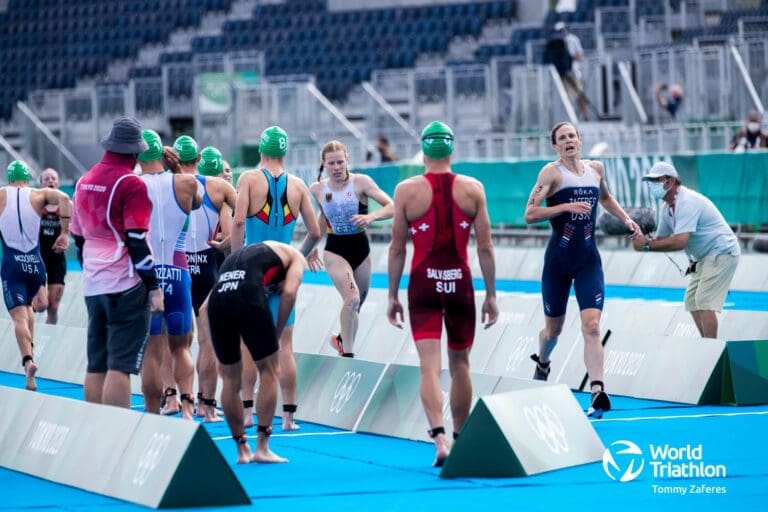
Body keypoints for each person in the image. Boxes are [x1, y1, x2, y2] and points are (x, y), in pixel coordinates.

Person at [387, 121, 498, 466]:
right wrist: (491, 295)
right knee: (461, 364)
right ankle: (462, 437)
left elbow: (396, 249)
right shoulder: (473, 188)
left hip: (423, 284)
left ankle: (439, 440)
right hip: (460, 284)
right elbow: (485, 247)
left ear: (424, 151)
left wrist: (391, 295)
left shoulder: (406, 190)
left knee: (428, 368)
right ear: (451, 149)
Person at [524, 121, 641, 419]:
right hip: (558, 263)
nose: (568, 141)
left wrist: (627, 220)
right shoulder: (551, 173)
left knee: (591, 326)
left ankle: (597, 391)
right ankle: (543, 361)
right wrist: (565, 208)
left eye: (572, 136)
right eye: (562, 138)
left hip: (588, 259)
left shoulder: (596, 169)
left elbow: (605, 198)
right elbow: (530, 214)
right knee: (554, 330)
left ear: (580, 139)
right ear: (555, 146)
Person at [232, 125, 321, 430]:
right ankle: (289, 417)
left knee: (247, 345)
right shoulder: (298, 186)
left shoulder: (248, 179)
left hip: (253, 270)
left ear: (260, 150)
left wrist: (235, 262)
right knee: (285, 346)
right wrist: (298, 257)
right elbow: (316, 231)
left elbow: (240, 221)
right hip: (283, 271)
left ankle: (246, 413)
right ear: (285, 152)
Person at [71, 116, 164, 409]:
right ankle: (117, 432)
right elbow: (137, 241)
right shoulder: (132, 184)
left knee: (96, 363)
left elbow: (78, 238)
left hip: (93, 284)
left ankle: (96, 434)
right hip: (125, 283)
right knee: (120, 365)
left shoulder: (84, 181)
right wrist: (154, 287)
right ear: (135, 152)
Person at [199, 240, 306, 464]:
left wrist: (216, 349)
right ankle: (262, 448)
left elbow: (204, 308)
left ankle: (241, 449)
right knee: (269, 371)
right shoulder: (296, 256)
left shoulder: (241, 256)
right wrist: (275, 332)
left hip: (219, 299)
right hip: (247, 295)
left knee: (230, 380)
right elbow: (288, 293)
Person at [633, 162, 740, 338]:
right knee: (692, 300)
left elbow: (680, 242)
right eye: (650, 181)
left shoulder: (687, 201)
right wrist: (639, 236)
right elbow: (660, 240)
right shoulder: (667, 207)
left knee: (704, 301)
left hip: (722, 251)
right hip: (704, 257)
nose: (652, 185)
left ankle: (710, 347)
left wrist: (645, 245)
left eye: (656, 180)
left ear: (671, 181)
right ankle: (704, 342)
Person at [308, 140, 394, 358]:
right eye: (331, 164)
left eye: (340, 162)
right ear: (324, 165)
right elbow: (322, 217)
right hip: (335, 249)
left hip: (361, 249)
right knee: (352, 298)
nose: (336, 167)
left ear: (347, 161)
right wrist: (312, 246)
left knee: (356, 305)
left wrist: (371, 216)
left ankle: (340, 341)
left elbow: (392, 206)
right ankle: (348, 356)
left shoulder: (361, 182)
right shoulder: (318, 189)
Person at [137, 131, 201, 419]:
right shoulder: (186, 182)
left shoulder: (131, 184)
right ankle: (188, 407)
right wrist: (175, 168)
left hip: (147, 276)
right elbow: (197, 202)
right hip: (178, 272)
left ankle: (157, 407)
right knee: (181, 346)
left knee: (152, 350)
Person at [1, 161, 71, 391]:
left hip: (12, 264)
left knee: (19, 318)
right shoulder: (39, 193)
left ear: (9, 178)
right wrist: (65, 232)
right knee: (30, 309)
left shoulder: (1, 195)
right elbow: (65, 200)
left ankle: (28, 361)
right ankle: (31, 364)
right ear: (28, 177)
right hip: (35, 264)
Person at [185, 145, 236, 421]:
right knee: (208, 343)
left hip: (181, 264)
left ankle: (175, 398)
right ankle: (206, 404)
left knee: (178, 341)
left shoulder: (179, 186)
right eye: (225, 171)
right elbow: (229, 236)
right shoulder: (222, 195)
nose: (228, 176)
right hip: (208, 266)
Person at [38, 168, 68, 324]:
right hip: (38, 258)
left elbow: (76, 229)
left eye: (53, 178)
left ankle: (48, 337)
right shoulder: (35, 204)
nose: (50, 181)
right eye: (47, 178)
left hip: (57, 259)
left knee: (53, 307)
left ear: (58, 183)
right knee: (41, 305)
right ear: (40, 182)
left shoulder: (66, 205)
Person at [544, 22, 589, 120]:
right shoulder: (552, 41)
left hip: (573, 72)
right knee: (564, 96)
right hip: (558, 73)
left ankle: (585, 116)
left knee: (579, 94)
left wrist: (570, 58)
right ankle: (567, 118)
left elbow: (580, 56)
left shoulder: (572, 39)